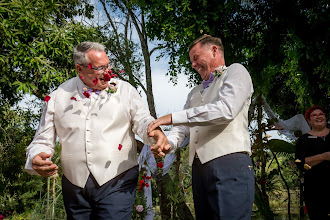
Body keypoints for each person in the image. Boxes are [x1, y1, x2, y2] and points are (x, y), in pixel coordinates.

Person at [25, 41, 169, 219]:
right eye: (100, 68)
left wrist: (154, 133)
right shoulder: (57, 97)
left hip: (118, 181)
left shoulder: (125, 91)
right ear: (79, 69)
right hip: (74, 186)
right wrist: (36, 156)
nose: (108, 72)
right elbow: (42, 140)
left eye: (108, 65)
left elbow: (142, 120)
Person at [148, 34, 255, 219]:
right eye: (191, 61)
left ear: (214, 50)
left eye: (196, 58)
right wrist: (169, 144)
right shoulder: (194, 92)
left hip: (229, 163)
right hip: (198, 169)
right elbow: (183, 128)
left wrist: (171, 117)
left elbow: (225, 110)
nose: (193, 64)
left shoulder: (236, 71)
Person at [295, 105, 330, 219]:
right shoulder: (303, 140)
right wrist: (323, 156)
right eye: (314, 115)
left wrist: (311, 160)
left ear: (325, 117)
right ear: (309, 120)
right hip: (314, 190)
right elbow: (300, 163)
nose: (318, 117)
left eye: (321, 114)